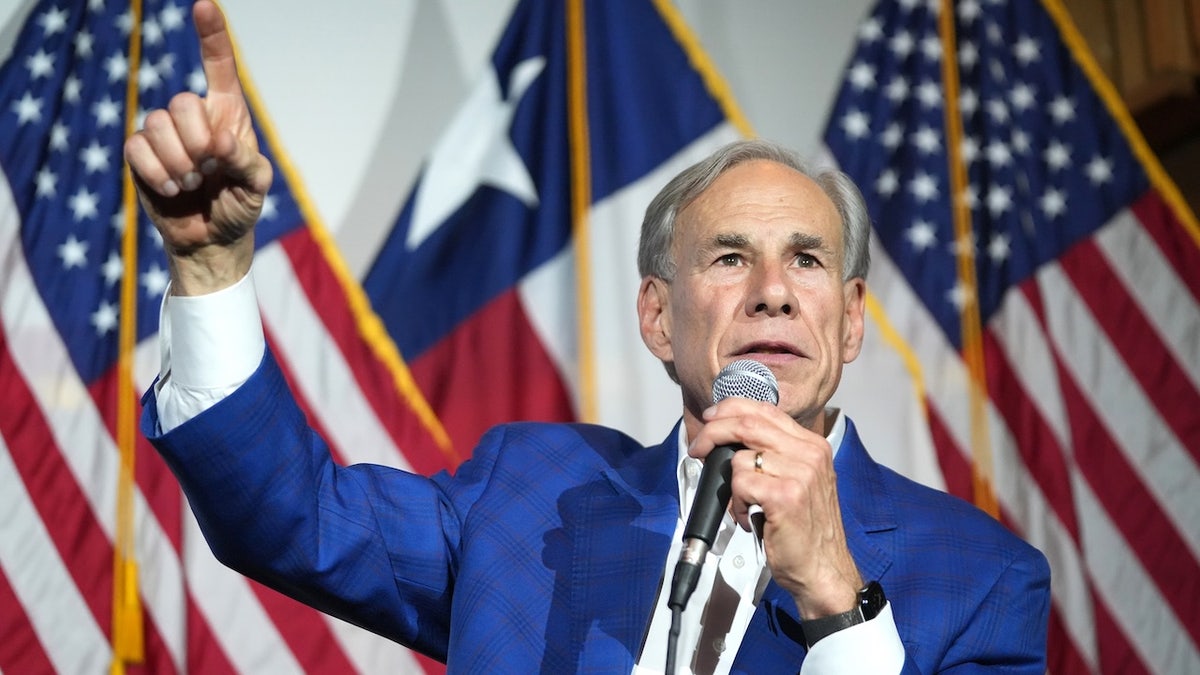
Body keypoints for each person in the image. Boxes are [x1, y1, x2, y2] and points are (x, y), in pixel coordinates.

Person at [127, 2, 1051, 673]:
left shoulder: (983, 580)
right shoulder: (526, 498)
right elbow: (293, 518)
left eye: (806, 261)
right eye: (730, 257)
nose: (773, 292)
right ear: (657, 316)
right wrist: (211, 266)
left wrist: (840, 610)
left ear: (852, 321)